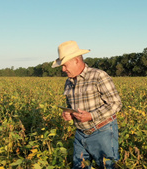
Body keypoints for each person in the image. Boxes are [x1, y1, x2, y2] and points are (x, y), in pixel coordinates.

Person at [52, 40, 122, 169]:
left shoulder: (98, 76)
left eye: (65, 65)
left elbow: (116, 103)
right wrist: (69, 114)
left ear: (76, 61)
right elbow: (72, 107)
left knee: (107, 166)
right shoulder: (69, 82)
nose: (63, 69)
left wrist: (91, 116)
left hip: (103, 132)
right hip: (80, 133)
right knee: (79, 166)